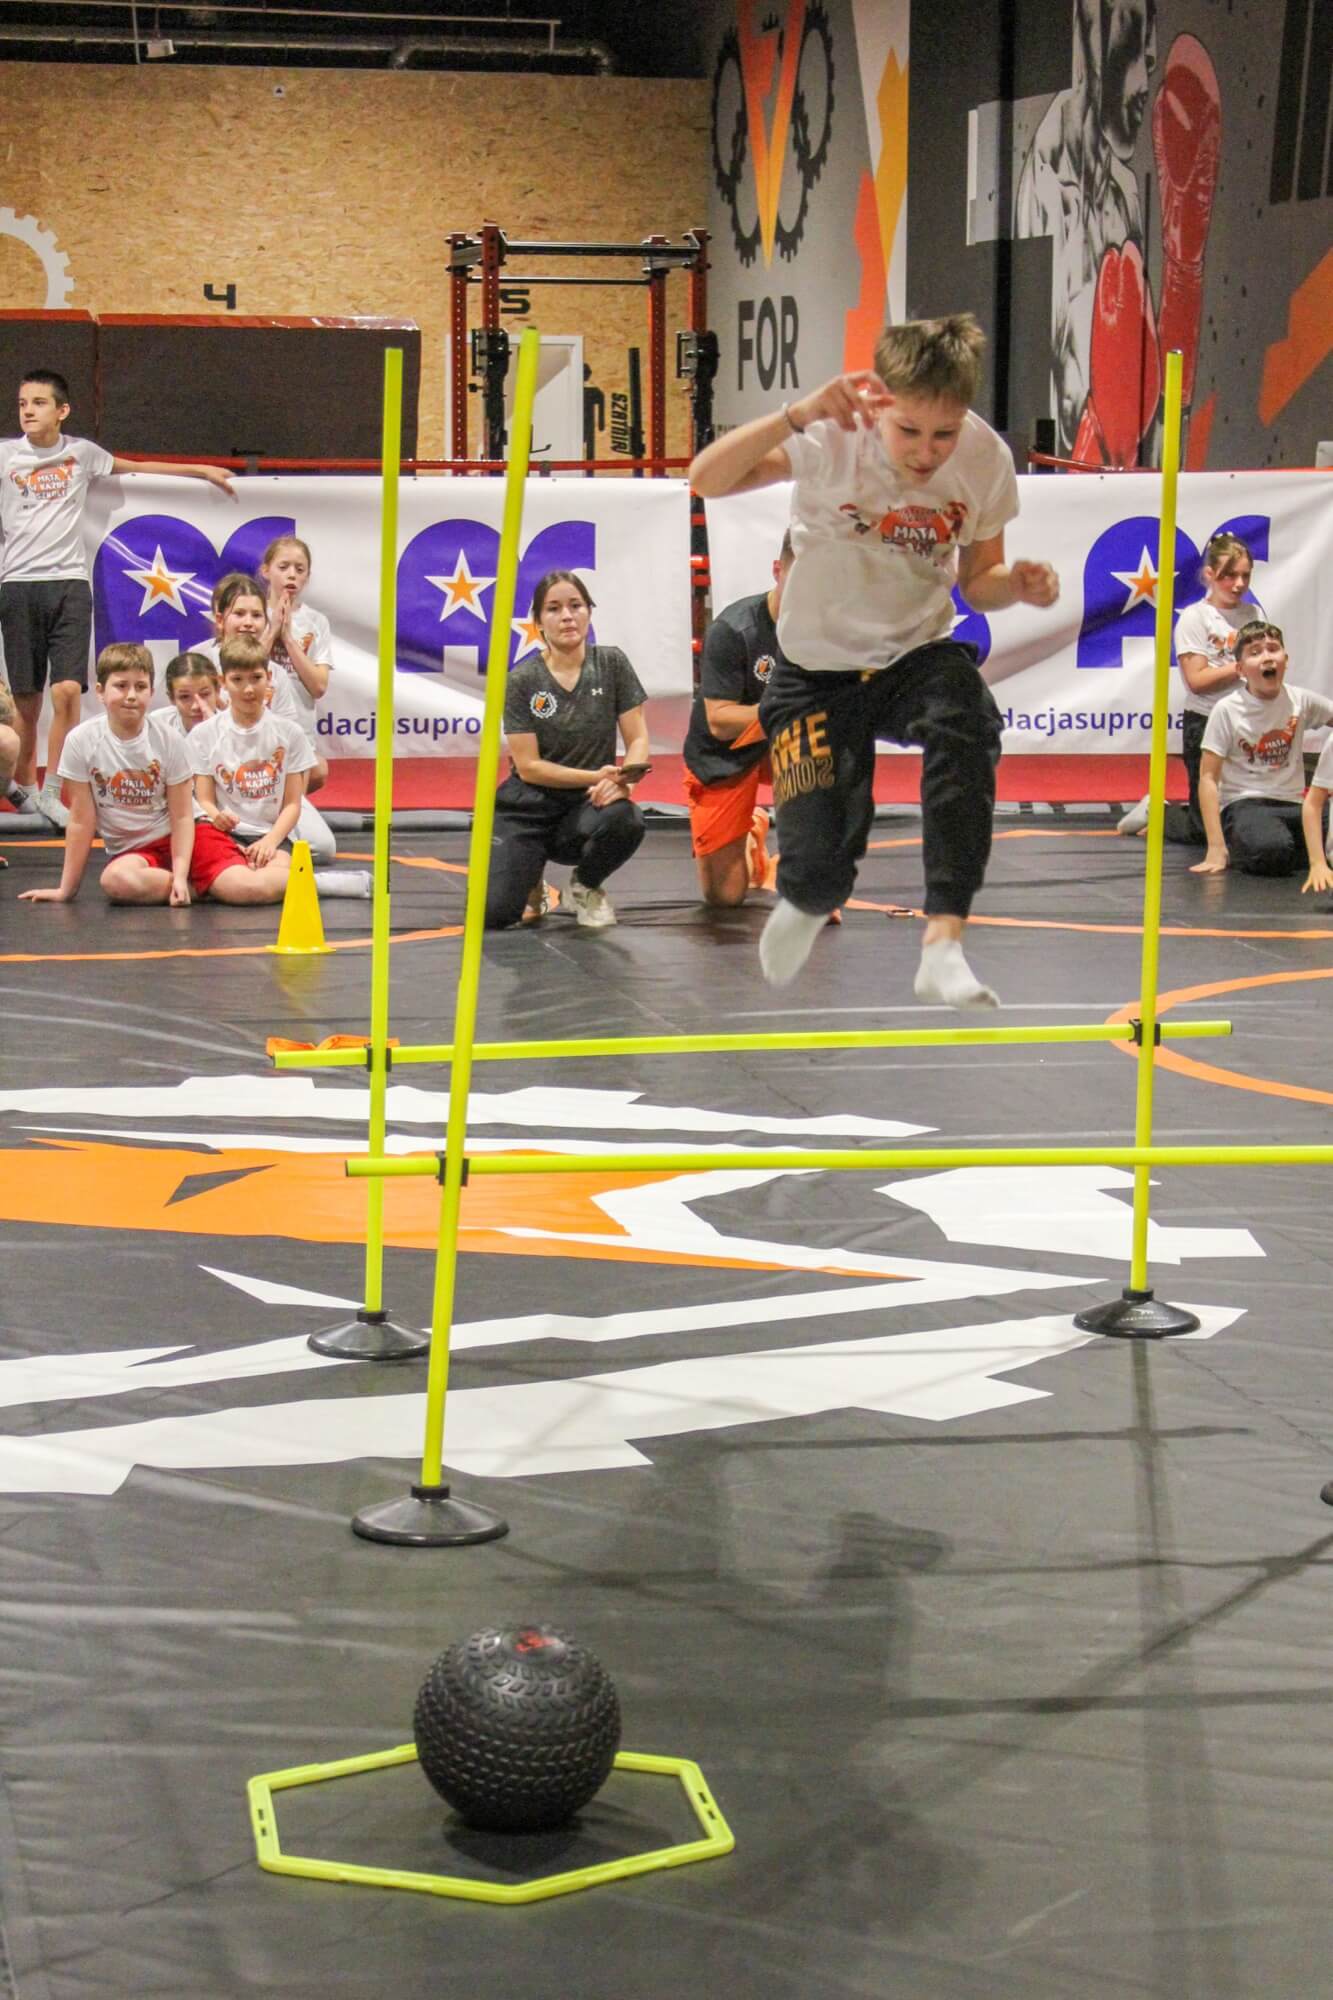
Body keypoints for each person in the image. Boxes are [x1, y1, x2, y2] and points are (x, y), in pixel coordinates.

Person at [687, 313, 1060, 1006]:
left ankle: (943, 944)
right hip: (814, 671)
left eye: (943, 434)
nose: (926, 453)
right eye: (909, 431)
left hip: (914, 653)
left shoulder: (983, 458)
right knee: (821, 863)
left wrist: (1016, 586)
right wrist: (795, 414)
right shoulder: (834, 434)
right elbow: (705, 479)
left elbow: (979, 579)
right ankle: (806, 896)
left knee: (969, 722)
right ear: (881, 403)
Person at [0, 367, 234, 829]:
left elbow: (140, 467)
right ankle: (23, 786)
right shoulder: (6, 455)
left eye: (39, 403)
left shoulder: (81, 453)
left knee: (67, 690)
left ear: (62, 411)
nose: (28, 411)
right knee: (26, 702)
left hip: (68, 583)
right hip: (18, 585)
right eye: (23, 403)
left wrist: (201, 469)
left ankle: (53, 791)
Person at [17, 642, 247, 906]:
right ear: (100, 692)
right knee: (115, 881)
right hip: (136, 851)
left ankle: (260, 870)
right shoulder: (80, 741)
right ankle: (204, 889)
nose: (131, 695)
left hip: (189, 835)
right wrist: (65, 890)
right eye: (121, 686)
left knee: (246, 889)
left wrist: (180, 875)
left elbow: (182, 816)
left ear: (151, 692)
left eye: (140, 687)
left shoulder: (169, 740)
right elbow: (81, 821)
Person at [486, 569, 649, 930]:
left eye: (576, 605)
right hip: (528, 808)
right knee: (493, 914)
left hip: (586, 805)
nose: (567, 616)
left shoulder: (612, 664)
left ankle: (585, 886)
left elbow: (638, 739)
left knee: (627, 819)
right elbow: (528, 767)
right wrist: (596, 776)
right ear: (538, 622)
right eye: (554, 608)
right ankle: (530, 876)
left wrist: (625, 781)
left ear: (589, 612)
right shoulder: (522, 680)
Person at [1118, 532, 1259, 842]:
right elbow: (1197, 681)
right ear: (1210, 574)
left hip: (1247, 720)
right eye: (1229, 575)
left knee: (1241, 812)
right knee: (1204, 828)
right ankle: (1157, 810)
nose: (1239, 584)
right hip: (1207, 722)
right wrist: (1242, 666)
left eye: (1245, 575)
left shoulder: (1254, 615)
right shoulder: (1195, 618)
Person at [682, 534, 791, 906]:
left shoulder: (827, 629)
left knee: (831, 767)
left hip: (785, 744)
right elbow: (719, 720)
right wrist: (786, 708)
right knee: (724, 897)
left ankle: (811, 876)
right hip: (725, 751)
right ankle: (751, 830)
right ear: (777, 570)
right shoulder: (734, 629)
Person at [199, 575, 338, 864]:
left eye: (256, 615)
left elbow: (290, 740)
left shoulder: (276, 673)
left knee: (321, 847)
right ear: (221, 619)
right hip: (218, 783)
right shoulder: (200, 663)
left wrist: (279, 815)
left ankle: (266, 842)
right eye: (239, 614)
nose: (248, 623)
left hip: (264, 782)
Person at [1192, 621, 1333, 877]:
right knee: (1271, 851)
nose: (1267, 657)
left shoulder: (1300, 700)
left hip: (1294, 803)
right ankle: (1163, 813)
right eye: (1255, 652)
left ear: (1285, 660)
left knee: (1294, 847)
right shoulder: (1227, 709)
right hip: (1246, 803)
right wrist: (1216, 847)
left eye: (1273, 649)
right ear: (1240, 669)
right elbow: (1208, 777)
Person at [258, 535, 332, 793]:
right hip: (257, 727)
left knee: (319, 770)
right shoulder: (252, 614)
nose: (292, 575)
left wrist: (289, 639)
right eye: (283, 567)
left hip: (298, 731)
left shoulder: (316, 621)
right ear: (266, 571)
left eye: (300, 570)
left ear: (307, 577)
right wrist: (272, 631)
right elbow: (244, 667)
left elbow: (319, 687)